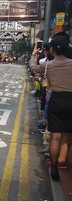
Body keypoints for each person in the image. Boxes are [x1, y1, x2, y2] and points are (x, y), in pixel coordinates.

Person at [29, 33, 72, 181]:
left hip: (56, 100)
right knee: (67, 136)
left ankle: (53, 168)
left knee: (55, 137)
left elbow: (33, 67)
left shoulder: (48, 65)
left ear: (52, 50)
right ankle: (62, 161)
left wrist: (34, 55)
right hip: (70, 101)